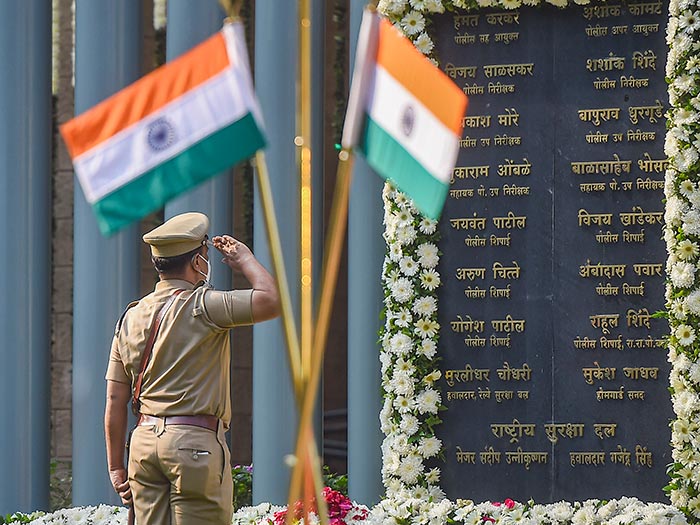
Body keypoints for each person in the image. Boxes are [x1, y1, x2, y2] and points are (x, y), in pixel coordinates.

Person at [104, 212, 280, 525]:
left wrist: (117, 467)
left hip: (143, 446)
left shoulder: (130, 317)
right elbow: (271, 300)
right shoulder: (204, 305)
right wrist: (246, 259)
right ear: (198, 262)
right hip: (193, 446)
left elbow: (115, 400)